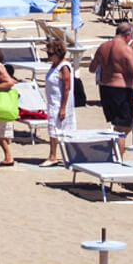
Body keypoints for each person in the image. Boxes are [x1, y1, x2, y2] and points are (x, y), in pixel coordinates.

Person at [88, 22, 133, 149]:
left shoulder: (103, 47)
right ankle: (117, 155)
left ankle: (115, 150)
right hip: (121, 89)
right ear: (127, 35)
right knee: (122, 127)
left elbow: (92, 68)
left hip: (105, 88)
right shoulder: (126, 49)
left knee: (117, 123)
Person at [40, 35, 75, 167]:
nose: (48, 57)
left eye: (50, 54)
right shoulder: (55, 65)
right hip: (53, 102)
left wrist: (63, 108)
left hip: (60, 103)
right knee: (53, 128)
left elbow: (67, 88)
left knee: (57, 129)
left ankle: (53, 156)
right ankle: (54, 155)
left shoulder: (64, 67)